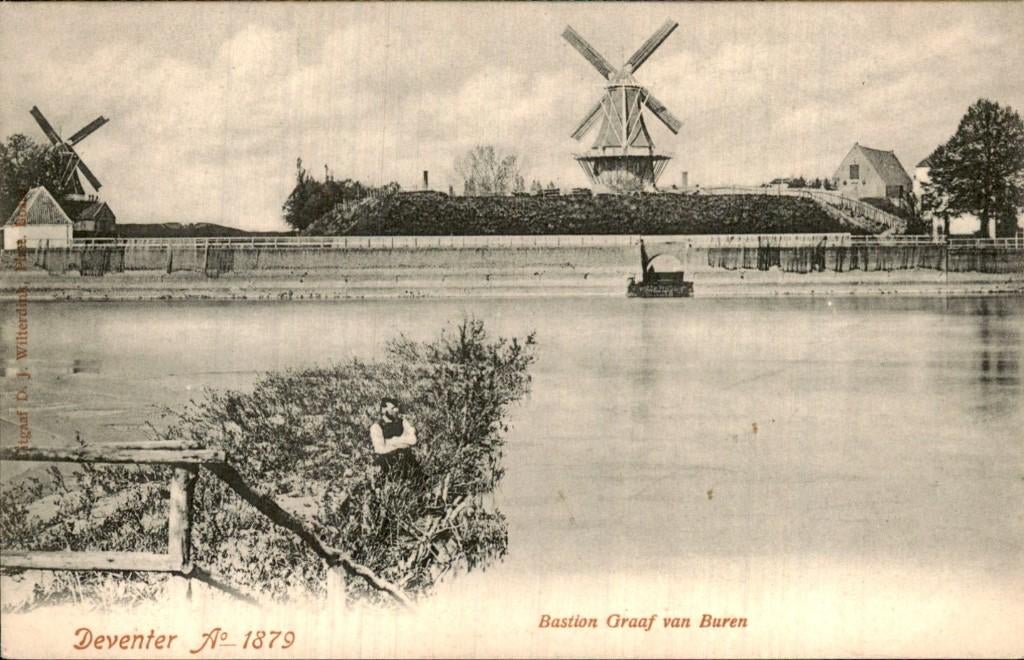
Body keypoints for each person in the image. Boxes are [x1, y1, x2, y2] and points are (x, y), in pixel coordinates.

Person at [369, 397, 423, 482]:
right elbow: (380, 449)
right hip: (388, 467)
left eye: (397, 407)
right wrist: (403, 441)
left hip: (408, 464)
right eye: (393, 408)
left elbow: (413, 440)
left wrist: (391, 441)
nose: (397, 410)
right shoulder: (376, 427)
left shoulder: (403, 422)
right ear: (384, 410)